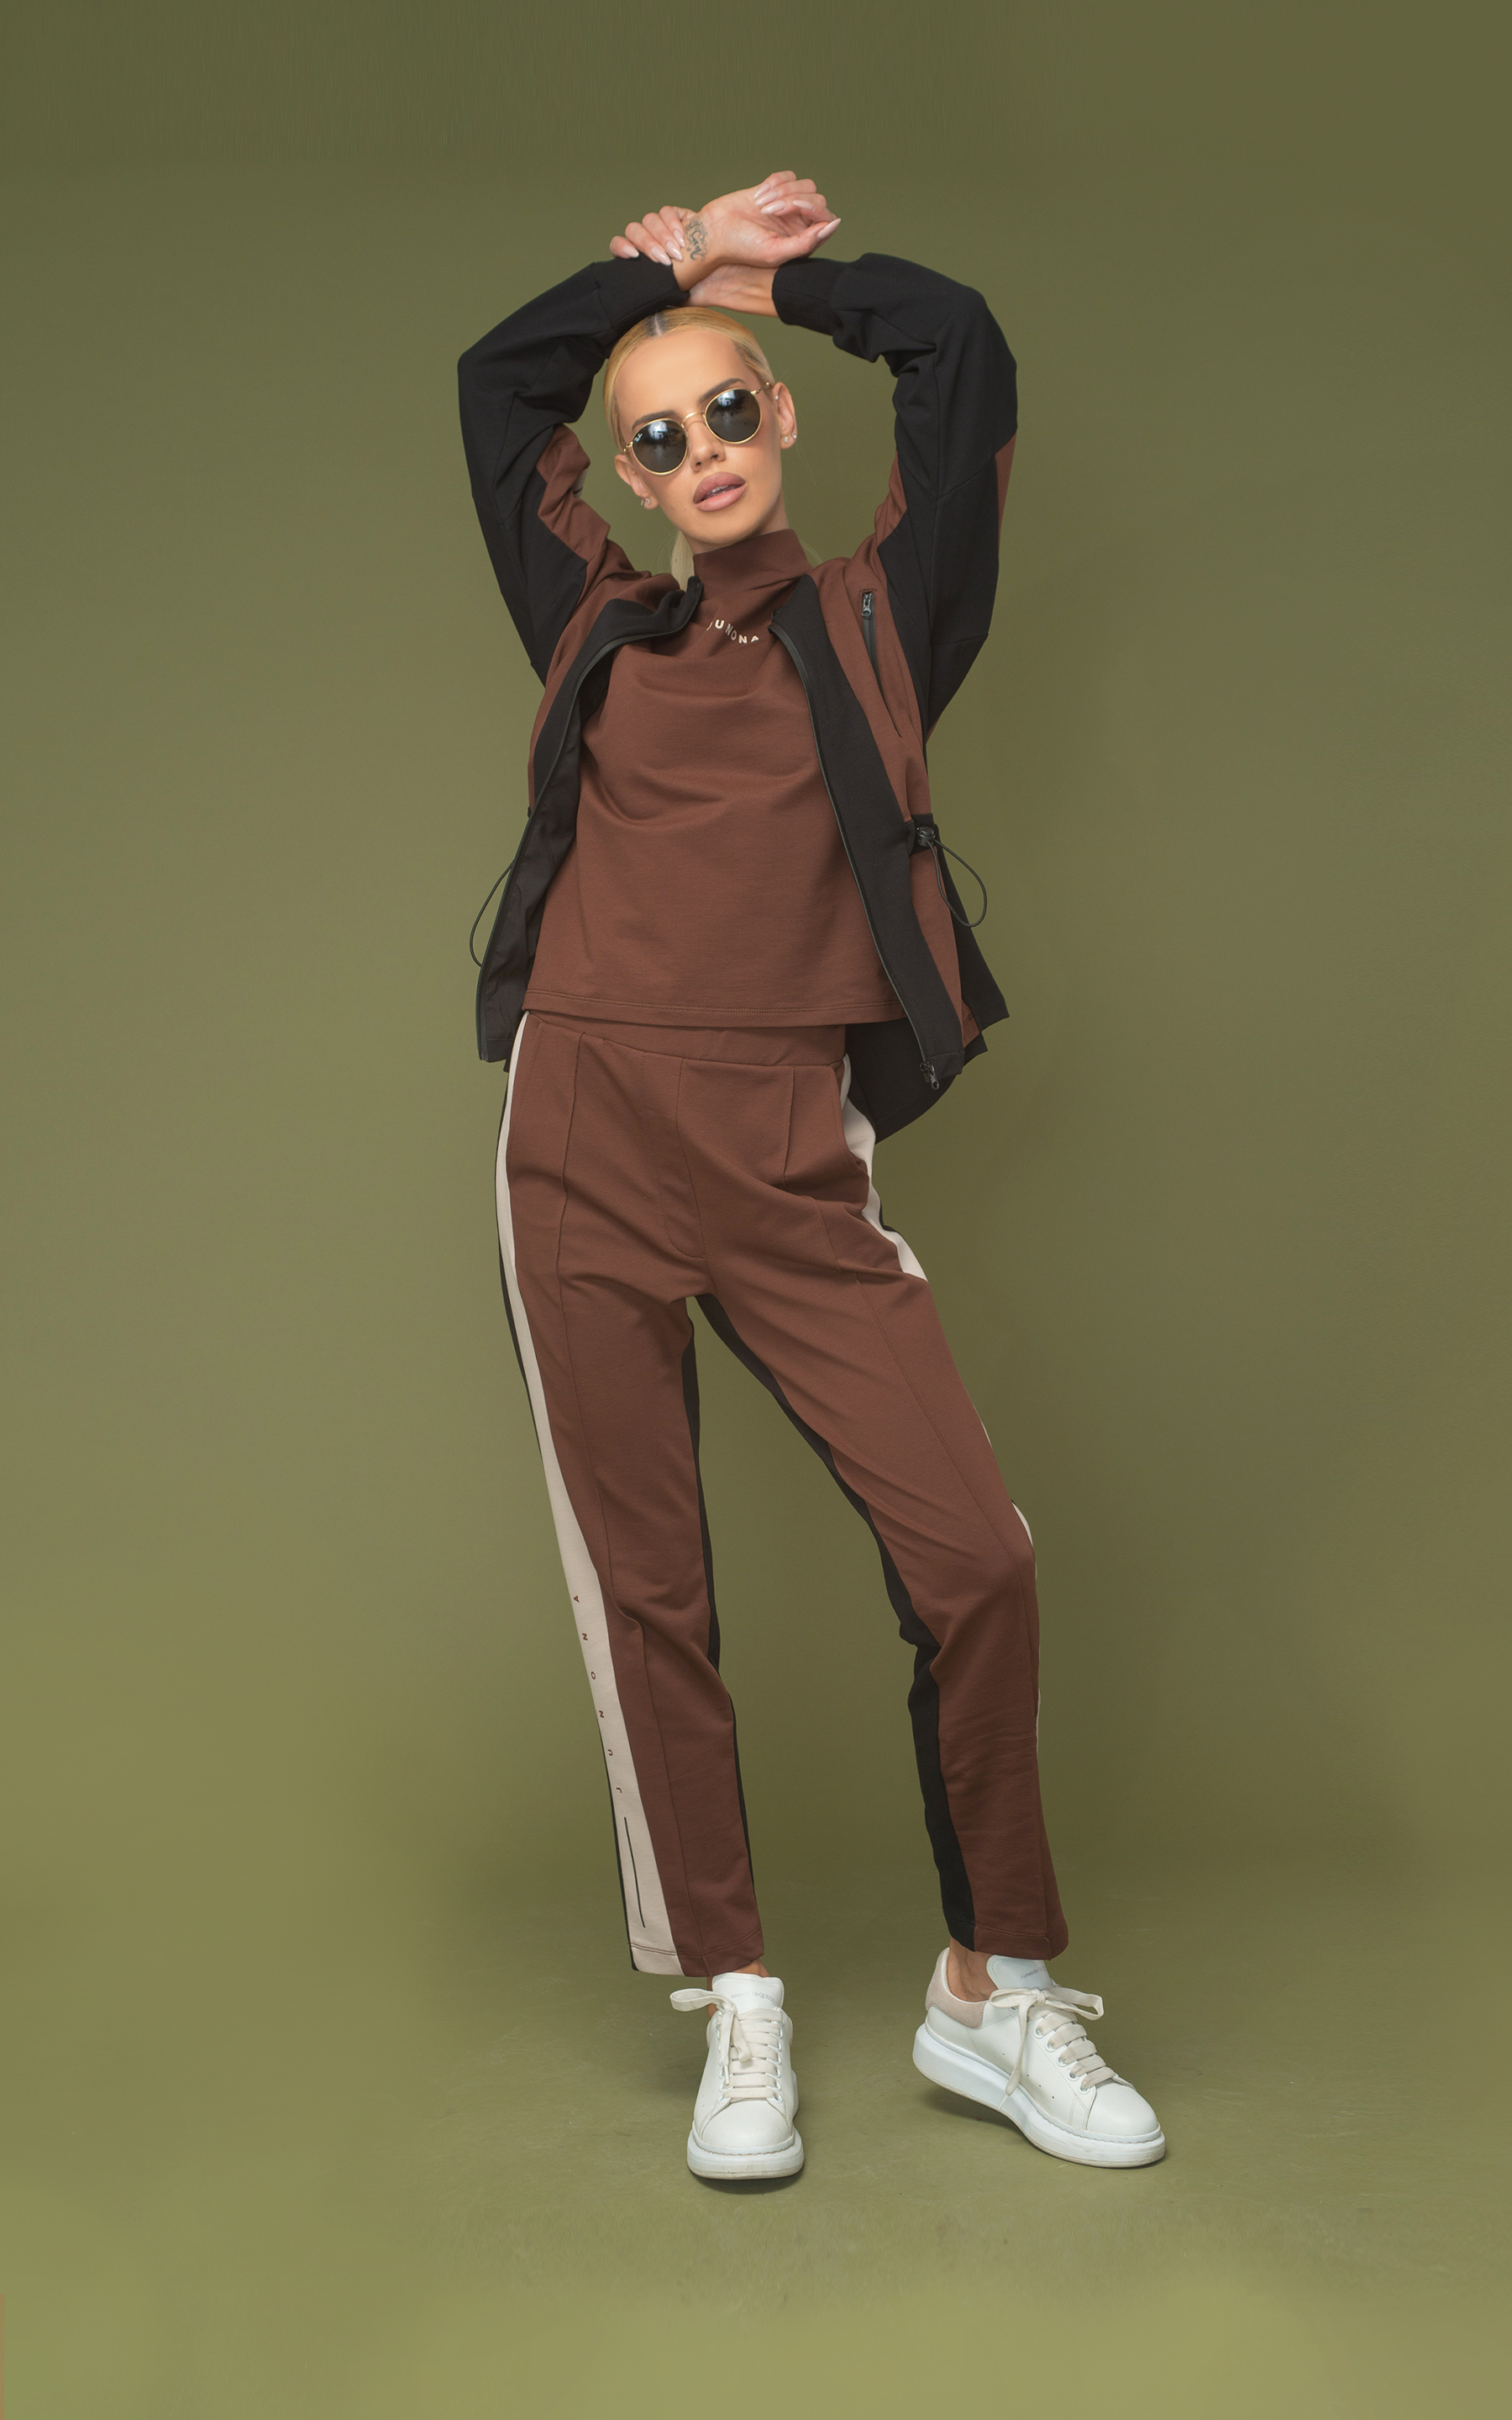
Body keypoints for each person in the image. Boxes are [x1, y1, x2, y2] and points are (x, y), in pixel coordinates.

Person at [456, 172, 1164, 2179]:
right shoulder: (595, 618)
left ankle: (991, 1992)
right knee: (650, 1590)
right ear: (627, 473)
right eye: (653, 435)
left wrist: (757, 279)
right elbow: (494, 388)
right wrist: (648, 269)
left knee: (978, 1560)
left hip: (784, 1156)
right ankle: (736, 1996)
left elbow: (963, 349)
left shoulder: (876, 618)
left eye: (725, 411)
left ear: (779, 420)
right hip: (583, 1142)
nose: (696, 453)